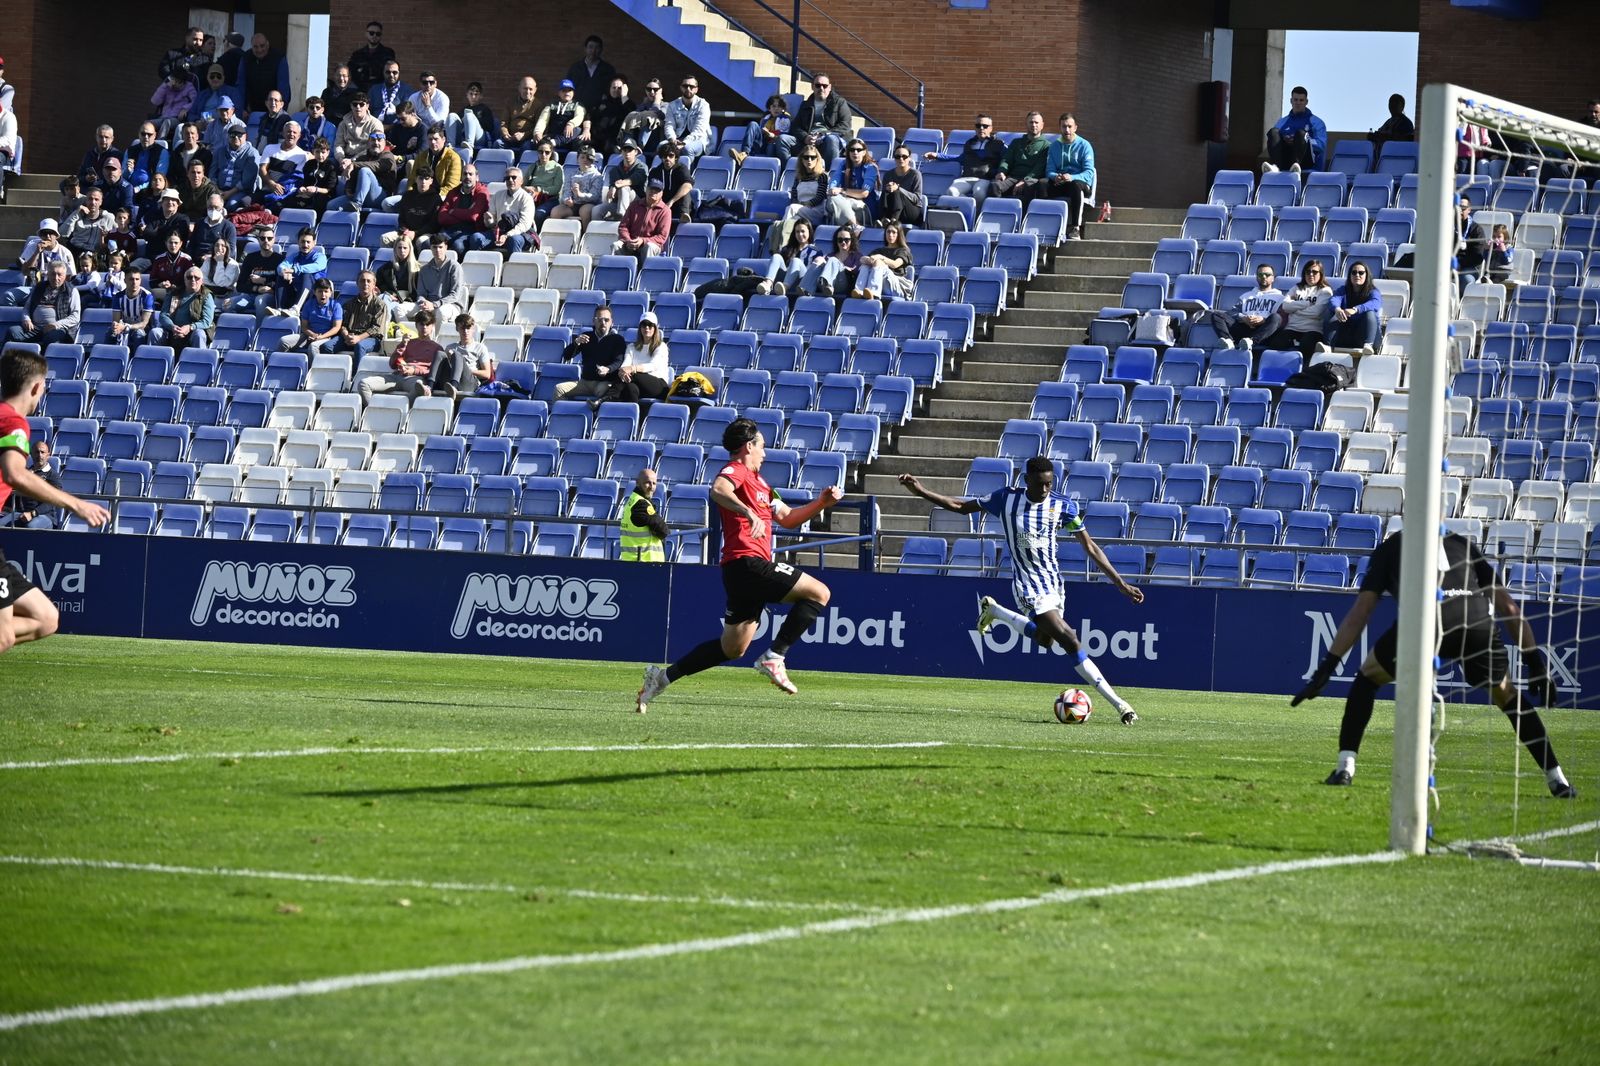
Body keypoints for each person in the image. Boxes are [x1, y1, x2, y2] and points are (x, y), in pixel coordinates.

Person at [1292, 531, 1576, 798]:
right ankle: (1557, 779)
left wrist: (1327, 667)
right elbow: (1510, 608)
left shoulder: (1391, 547)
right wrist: (1536, 664)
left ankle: (1345, 768)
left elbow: (1362, 611)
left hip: (1424, 623)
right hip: (1475, 624)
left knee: (1367, 677)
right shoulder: (1462, 544)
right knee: (1507, 696)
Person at [899, 456, 1145, 723]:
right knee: (1070, 639)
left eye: (1049, 484)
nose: (1043, 490)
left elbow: (1091, 547)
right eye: (1039, 484)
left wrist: (1119, 583)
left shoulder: (1063, 506)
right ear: (1026, 480)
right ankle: (1121, 705)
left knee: (1045, 639)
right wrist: (920, 490)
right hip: (1028, 586)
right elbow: (959, 505)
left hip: (1053, 584)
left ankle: (995, 611)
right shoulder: (1006, 499)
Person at [637, 416, 845, 711]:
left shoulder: (762, 484)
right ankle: (775, 656)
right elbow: (718, 490)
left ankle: (661, 679)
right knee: (820, 593)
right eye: (762, 446)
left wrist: (821, 504)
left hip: (740, 572)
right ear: (749, 446)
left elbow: (788, 517)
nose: (765, 453)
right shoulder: (736, 470)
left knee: (732, 648)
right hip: (747, 563)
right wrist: (748, 512)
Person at [0, 351, 111, 657]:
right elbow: (15, 473)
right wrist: (75, 504)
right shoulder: (13, 422)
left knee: (45, 618)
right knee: (3, 635)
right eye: (44, 384)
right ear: (36, 387)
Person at [358, 309, 441, 404]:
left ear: (432, 326)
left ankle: (399, 412)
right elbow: (392, 364)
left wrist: (414, 370)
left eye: (428, 324)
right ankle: (374, 411)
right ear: (416, 325)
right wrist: (402, 345)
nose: (424, 327)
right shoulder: (408, 342)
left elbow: (436, 372)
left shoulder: (437, 348)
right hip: (397, 375)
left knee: (420, 389)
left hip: (416, 379)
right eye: (421, 324)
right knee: (363, 384)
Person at [555, 305, 626, 402]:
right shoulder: (586, 337)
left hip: (604, 382)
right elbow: (566, 356)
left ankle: (596, 415)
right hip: (585, 382)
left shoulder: (617, 339)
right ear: (594, 321)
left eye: (606, 320)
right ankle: (562, 416)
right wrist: (576, 343)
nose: (603, 323)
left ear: (612, 322)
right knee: (559, 389)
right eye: (600, 319)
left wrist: (608, 369)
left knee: (603, 392)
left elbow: (619, 362)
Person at [1263, 259, 1332, 357]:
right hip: (1292, 328)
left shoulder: (1325, 290)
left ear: (1321, 274)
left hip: (1313, 330)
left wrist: (1295, 310)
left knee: (1306, 345)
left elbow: (1316, 312)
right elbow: (1285, 306)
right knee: (1276, 344)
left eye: (1315, 272)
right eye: (1308, 272)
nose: (1311, 274)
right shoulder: (1297, 288)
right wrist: (1307, 304)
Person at [1208, 264, 1285, 350]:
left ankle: (1251, 342)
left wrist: (1263, 320)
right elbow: (1232, 312)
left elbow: (1281, 318)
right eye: (1260, 274)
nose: (1263, 277)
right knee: (1217, 315)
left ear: (1273, 278)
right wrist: (1243, 318)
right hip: (1244, 329)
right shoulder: (1246, 296)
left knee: (1276, 317)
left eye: (1267, 275)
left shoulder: (1280, 297)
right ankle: (1228, 341)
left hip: (1264, 333)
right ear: (1256, 277)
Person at [935, 113, 1006, 205]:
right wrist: (937, 155)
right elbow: (960, 158)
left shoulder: (998, 144)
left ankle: (976, 215)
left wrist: (1001, 171)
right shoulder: (969, 143)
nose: (981, 128)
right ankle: (968, 208)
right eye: (978, 125)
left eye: (985, 126)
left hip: (985, 178)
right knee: (951, 192)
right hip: (967, 177)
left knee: (979, 192)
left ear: (991, 128)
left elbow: (1007, 160)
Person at [1045, 113, 1095, 238]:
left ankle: (1075, 228)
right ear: (1060, 127)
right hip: (1061, 182)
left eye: (1069, 126)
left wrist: (1072, 177)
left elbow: (1089, 173)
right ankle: (1045, 223)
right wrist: (1055, 176)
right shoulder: (1054, 146)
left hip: (1080, 183)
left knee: (1074, 186)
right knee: (1041, 184)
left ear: (1075, 128)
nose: (1066, 130)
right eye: (1063, 127)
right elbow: (1049, 170)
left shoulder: (1085, 145)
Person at [605, 310, 672, 404]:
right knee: (630, 387)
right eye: (644, 324)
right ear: (640, 327)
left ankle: (605, 399)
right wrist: (622, 372)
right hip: (638, 384)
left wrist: (633, 368)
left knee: (633, 374)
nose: (647, 328)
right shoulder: (631, 347)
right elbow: (625, 365)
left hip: (659, 386)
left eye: (650, 325)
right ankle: (633, 416)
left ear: (655, 328)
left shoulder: (661, 346)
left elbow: (653, 366)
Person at [6, 262, 80, 346]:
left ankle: (42, 357)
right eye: (53, 274)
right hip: (34, 328)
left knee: (52, 338)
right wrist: (26, 319)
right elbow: (27, 307)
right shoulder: (39, 287)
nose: (56, 278)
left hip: (57, 329)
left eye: (59, 275)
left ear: (65, 275)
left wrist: (56, 325)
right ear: (48, 274)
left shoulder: (72, 291)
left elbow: (75, 317)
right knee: (13, 331)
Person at [472, 166, 537, 256]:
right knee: (476, 237)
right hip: (498, 232)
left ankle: (514, 268)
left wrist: (507, 235)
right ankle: (478, 266)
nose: (510, 180)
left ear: (521, 181)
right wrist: (488, 220)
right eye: (507, 178)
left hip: (519, 233)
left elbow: (524, 225)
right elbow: (491, 224)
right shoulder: (497, 195)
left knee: (514, 240)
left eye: (514, 177)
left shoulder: (526, 198)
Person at [774, 147, 830, 251]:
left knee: (791, 208)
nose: (809, 160)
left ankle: (781, 248)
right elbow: (794, 197)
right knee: (787, 224)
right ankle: (790, 249)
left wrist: (805, 204)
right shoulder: (798, 177)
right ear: (801, 160)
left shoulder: (822, 176)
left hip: (815, 210)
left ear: (817, 159)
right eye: (806, 157)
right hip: (800, 211)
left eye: (812, 157)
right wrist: (799, 205)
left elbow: (820, 196)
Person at [1264, 85, 1327, 174]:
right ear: (1291, 101)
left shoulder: (1316, 122)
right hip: (1286, 159)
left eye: (1301, 100)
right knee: (1273, 132)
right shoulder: (1282, 122)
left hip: (1305, 161)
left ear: (1306, 102)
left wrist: (1302, 140)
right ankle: (1276, 168)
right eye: (1295, 100)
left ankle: (1296, 166)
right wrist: (1285, 140)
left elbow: (1321, 145)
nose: (1298, 103)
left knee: (1301, 134)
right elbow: (1274, 141)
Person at [430, 311, 495, 398]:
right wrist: (449, 360)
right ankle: (429, 387)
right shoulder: (450, 347)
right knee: (440, 354)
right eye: (462, 328)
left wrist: (465, 369)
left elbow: (487, 374)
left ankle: (454, 387)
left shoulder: (480, 347)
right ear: (457, 329)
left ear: (473, 329)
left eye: (468, 328)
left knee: (457, 355)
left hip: (469, 382)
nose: (465, 331)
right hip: (449, 379)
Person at [792, 74, 853, 165]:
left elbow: (845, 125)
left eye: (825, 86)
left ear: (830, 87)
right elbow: (795, 126)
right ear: (812, 87)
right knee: (783, 139)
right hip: (809, 139)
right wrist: (805, 137)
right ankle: (791, 171)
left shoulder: (839, 103)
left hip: (830, 138)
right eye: (818, 85)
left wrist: (822, 135)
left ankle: (830, 172)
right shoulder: (805, 104)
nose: (821, 88)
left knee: (831, 139)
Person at [612, 178, 671, 267]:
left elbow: (662, 236)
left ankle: (646, 277)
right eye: (651, 189)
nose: (653, 192)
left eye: (657, 190)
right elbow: (623, 227)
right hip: (630, 242)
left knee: (649, 247)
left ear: (661, 193)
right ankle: (618, 275)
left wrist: (643, 241)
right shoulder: (634, 205)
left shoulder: (665, 211)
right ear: (646, 190)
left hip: (651, 245)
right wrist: (628, 240)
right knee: (616, 245)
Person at [990, 112, 1049, 201]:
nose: (1033, 125)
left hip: (1031, 180)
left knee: (1029, 186)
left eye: (1036, 122)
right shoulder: (1016, 142)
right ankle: (999, 212)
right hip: (1013, 178)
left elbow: (1039, 168)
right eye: (1031, 122)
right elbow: (1006, 159)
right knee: (995, 185)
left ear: (1042, 125)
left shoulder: (1047, 145)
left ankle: (1024, 214)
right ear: (1026, 124)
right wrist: (1002, 171)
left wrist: (1025, 180)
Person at [5, 441, 64, 529]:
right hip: (21, 514)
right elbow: (13, 493)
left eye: (42, 452)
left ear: (48, 455)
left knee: (30, 526)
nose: (39, 455)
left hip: (44, 516)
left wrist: (33, 513)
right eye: (36, 452)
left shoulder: (53, 476)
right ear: (31, 454)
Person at [1325, 261, 1382, 351]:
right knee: (1332, 311)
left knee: (1370, 313)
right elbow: (1334, 299)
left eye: (1361, 273)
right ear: (1350, 275)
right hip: (1348, 333)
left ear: (1367, 275)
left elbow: (1375, 303)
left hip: (1366, 334)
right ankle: (1328, 345)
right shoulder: (1343, 289)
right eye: (1354, 272)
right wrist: (1338, 309)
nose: (1357, 275)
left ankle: (1368, 345)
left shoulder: (1373, 291)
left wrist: (1356, 309)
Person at [231, 225, 284, 317]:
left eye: (269, 238)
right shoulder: (250, 258)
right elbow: (240, 285)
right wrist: (257, 288)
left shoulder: (280, 260)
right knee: (228, 305)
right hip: (251, 296)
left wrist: (264, 281)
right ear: (258, 239)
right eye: (262, 238)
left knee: (259, 301)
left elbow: (282, 285)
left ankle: (259, 330)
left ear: (274, 239)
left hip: (270, 297)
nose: (266, 241)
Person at [853, 220, 914, 300]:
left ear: (899, 234)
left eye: (894, 232)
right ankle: (859, 291)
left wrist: (880, 258)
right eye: (888, 232)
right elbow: (862, 259)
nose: (890, 235)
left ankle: (874, 293)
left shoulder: (903, 251)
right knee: (866, 265)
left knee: (878, 262)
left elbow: (895, 264)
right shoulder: (880, 250)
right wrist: (869, 260)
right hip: (882, 281)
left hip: (896, 285)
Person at [439, 163, 491, 257]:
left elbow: (473, 217)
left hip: (472, 230)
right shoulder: (453, 192)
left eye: (471, 174)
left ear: (477, 177)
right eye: (465, 174)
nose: (467, 177)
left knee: (458, 246)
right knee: (431, 243)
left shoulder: (482, 192)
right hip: (450, 229)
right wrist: (465, 214)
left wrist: (452, 211)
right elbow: (442, 217)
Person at [336, 270, 390, 358]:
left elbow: (376, 328)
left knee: (360, 346)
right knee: (326, 347)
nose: (365, 283)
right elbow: (343, 324)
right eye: (362, 280)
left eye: (369, 281)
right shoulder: (349, 304)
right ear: (357, 283)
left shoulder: (380, 305)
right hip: (349, 337)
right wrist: (346, 336)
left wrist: (359, 338)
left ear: (374, 284)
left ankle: (356, 372)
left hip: (371, 339)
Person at [619, 468, 669, 563]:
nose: (651, 487)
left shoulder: (632, 500)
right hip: (645, 562)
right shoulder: (642, 505)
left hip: (632, 560)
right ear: (637, 483)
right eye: (647, 483)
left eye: (654, 483)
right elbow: (664, 531)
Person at [234, 34, 290, 116]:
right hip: (252, 109)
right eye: (255, 47)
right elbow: (240, 85)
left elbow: (283, 86)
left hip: (274, 107)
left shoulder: (279, 58)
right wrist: (242, 109)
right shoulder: (245, 58)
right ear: (251, 47)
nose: (259, 50)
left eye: (262, 46)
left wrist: (280, 111)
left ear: (267, 44)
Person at [281, 277, 342, 352]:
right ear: (314, 292)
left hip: (328, 337)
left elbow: (336, 327)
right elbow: (304, 326)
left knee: (313, 347)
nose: (323, 294)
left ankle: (312, 364)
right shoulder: (309, 304)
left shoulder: (336, 306)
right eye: (320, 291)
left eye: (326, 291)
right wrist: (313, 335)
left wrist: (321, 337)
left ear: (331, 293)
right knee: (283, 341)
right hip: (309, 335)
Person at [159, 267, 215, 349]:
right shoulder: (174, 293)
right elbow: (163, 315)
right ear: (185, 280)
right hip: (172, 331)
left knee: (199, 334)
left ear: (202, 281)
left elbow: (207, 321)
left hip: (193, 332)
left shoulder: (206, 296)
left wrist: (189, 327)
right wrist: (172, 327)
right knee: (155, 332)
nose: (193, 280)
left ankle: (200, 360)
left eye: (196, 278)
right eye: (189, 277)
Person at [827, 138, 878, 226]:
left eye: (859, 150)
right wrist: (832, 189)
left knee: (834, 201)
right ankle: (855, 226)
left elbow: (864, 193)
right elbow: (834, 181)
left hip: (864, 207)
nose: (855, 152)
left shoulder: (870, 167)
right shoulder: (843, 165)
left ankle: (853, 226)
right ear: (848, 152)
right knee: (833, 199)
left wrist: (842, 190)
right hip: (846, 202)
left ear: (864, 152)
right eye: (852, 150)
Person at [595, 139, 650, 222]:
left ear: (635, 152)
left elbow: (633, 180)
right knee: (596, 210)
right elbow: (611, 194)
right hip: (618, 203)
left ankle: (621, 219)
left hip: (638, 203)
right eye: (625, 150)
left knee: (624, 188)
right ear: (621, 152)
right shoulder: (615, 170)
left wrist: (616, 185)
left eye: (630, 150)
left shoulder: (642, 167)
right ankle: (597, 233)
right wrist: (612, 187)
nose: (627, 153)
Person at [548, 146, 606, 224]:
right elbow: (566, 190)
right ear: (577, 159)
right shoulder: (571, 174)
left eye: (588, 158)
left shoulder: (597, 176)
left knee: (585, 211)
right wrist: (567, 200)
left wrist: (580, 194)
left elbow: (594, 196)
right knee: (556, 211)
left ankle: (586, 233)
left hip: (589, 204)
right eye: (582, 157)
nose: (585, 160)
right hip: (573, 205)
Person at [416, 234, 465, 325]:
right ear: (430, 248)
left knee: (441, 312)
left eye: (440, 247)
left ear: (446, 247)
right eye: (434, 247)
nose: (437, 250)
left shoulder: (454, 267)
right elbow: (421, 294)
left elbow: (455, 295)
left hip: (451, 305)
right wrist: (423, 302)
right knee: (399, 309)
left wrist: (435, 304)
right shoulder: (424, 270)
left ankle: (433, 339)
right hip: (429, 305)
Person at [732, 94, 794, 165]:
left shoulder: (785, 119)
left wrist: (772, 135)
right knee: (753, 124)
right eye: (773, 106)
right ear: (769, 108)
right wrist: (762, 132)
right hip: (762, 144)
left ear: (783, 109)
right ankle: (744, 153)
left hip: (774, 145)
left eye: (779, 106)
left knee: (771, 146)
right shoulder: (765, 118)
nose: (776, 108)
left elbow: (784, 137)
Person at [283, 137, 339, 215]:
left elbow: (329, 189)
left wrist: (316, 189)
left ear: (328, 152)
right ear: (313, 151)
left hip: (323, 195)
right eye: (317, 152)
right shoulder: (309, 164)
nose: (320, 155)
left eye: (323, 152)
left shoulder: (331, 167)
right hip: (308, 193)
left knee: (318, 202)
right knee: (290, 200)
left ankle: (314, 224)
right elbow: (305, 182)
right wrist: (302, 188)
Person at [800, 225, 860, 298]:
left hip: (843, 284)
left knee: (833, 259)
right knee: (819, 259)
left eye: (846, 240)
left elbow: (856, 272)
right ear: (836, 241)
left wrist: (843, 268)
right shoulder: (830, 254)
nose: (843, 242)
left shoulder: (856, 256)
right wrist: (819, 261)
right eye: (840, 240)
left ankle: (828, 285)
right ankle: (805, 288)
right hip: (823, 285)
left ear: (851, 240)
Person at [212, 123, 262, 210]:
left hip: (240, 191)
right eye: (232, 135)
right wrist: (217, 190)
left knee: (230, 205)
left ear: (245, 136)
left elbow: (247, 181)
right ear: (228, 137)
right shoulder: (220, 151)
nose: (235, 138)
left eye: (239, 135)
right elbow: (212, 172)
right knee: (208, 201)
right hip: (219, 189)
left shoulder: (252, 153)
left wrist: (229, 193)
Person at [763, 218, 817, 295]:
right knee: (776, 256)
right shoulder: (788, 249)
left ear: (809, 231)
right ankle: (767, 285)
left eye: (803, 231)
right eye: (797, 232)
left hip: (802, 283)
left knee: (796, 261)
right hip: (783, 281)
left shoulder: (814, 251)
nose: (800, 234)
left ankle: (784, 288)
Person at [376, 228, 421, 321]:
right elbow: (379, 283)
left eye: (405, 248)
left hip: (409, 302)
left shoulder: (417, 269)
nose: (402, 251)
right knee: (383, 299)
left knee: (386, 304)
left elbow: (419, 291)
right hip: (391, 300)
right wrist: (389, 293)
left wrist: (400, 297)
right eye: (399, 248)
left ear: (410, 249)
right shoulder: (387, 268)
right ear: (395, 249)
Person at [663, 76, 712, 160]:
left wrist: (684, 142)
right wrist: (672, 139)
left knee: (687, 149)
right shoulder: (672, 105)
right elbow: (669, 125)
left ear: (696, 89)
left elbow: (699, 130)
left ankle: (687, 173)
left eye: (692, 87)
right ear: (681, 88)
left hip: (699, 140)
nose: (688, 89)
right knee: (661, 146)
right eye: (685, 86)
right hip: (676, 139)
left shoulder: (703, 105)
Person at [566, 34, 617, 113]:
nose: (593, 51)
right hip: (577, 109)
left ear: (601, 50)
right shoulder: (575, 68)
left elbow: (612, 92)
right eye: (590, 47)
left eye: (597, 48)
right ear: (585, 49)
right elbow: (568, 88)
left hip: (600, 111)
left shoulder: (608, 69)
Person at [535, 79, 588, 155]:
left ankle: (554, 142)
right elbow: (543, 120)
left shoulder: (578, 105)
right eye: (564, 90)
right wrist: (538, 132)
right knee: (532, 143)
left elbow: (579, 117)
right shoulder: (551, 105)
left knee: (577, 130)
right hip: (554, 134)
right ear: (559, 93)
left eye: (569, 90)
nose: (567, 93)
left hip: (569, 136)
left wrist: (571, 124)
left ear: (573, 93)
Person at [61, 187, 114, 262]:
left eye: (96, 199)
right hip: (76, 250)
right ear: (86, 200)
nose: (93, 202)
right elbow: (63, 233)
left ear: (101, 202)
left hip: (96, 253)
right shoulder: (77, 215)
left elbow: (118, 233)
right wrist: (76, 213)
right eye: (90, 199)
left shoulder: (108, 217)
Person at [585, 77, 634, 157]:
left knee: (609, 146)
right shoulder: (601, 103)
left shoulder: (627, 103)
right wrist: (586, 130)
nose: (616, 90)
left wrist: (624, 96)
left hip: (614, 137)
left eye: (619, 88)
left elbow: (630, 114)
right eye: (613, 87)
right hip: (597, 135)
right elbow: (589, 117)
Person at [650, 142, 695, 230]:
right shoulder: (655, 171)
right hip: (661, 202)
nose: (667, 158)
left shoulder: (681, 168)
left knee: (685, 191)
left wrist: (671, 201)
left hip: (678, 204)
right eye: (664, 156)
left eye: (671, 155)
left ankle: (684, 215)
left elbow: (688, 185)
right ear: (661, 157)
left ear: (676, 157)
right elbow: (650, 189)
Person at [877, 144, 924, 227]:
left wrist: (899, 188)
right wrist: (888, 189)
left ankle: (893, 221)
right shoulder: (888, 174)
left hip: (910, 212)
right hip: (892, 210)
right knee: (885, 192)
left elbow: (917, 199)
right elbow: (884, 197)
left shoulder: (915, 174)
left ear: (909, 158)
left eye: (904, 156)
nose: (901, 159)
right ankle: (884, 219)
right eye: (898, 156)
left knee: (897, 192)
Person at [619, 79, 669, 157]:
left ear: (660, 91)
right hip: (638, 135)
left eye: (655, 90)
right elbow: (634, 117)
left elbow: (661, 115)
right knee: (631, 115)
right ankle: (627, 145)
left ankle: (640, 146)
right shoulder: (643, 105)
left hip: (657, 138)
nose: (652, 92)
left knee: (650, 116)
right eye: (649, 89)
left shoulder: (666, 105)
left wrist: (656, 102)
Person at [111, 270, 158, 345]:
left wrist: (126, 327)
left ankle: (138, 356)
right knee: (110, 332)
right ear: (125, 280)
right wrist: (115, 326)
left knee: (138, 334)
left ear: (140, 281)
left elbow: (144, 324)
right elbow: (116, 320)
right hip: (124, 327)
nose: (134, 282)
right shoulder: (118, 297)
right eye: (131, 279)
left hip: (142, 329)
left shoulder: (147, 296)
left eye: (137, 279)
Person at [347, 21, 395, 91]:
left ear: (381, 36)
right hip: (361, 89)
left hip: (381, 89)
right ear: (366, 34)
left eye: (378, 34)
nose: (374, 36)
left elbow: (388, 72)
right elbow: (351, 73)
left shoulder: (388, 53)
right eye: (371, 33)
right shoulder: (357, 54)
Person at [334, 96, 384, 162]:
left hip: (366, 158)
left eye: (361, 104)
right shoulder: (343, 124)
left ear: (367, 106)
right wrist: (341, 159)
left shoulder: (376, 123)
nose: (358, 107)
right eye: (355, 104)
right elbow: (338, 144)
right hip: (344, 158)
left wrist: (352, 161)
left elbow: (374, 147)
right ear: (351, 106)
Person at [525, 140, 566, 220]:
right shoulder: (532, 167)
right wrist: (526, 188)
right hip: (532, 197)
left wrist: (539, 189)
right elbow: (523, 184)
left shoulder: (557, 168)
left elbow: (557, 189)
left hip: (550, 199)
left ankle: (535, 232)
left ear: (551, 153)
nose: (543, 155)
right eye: (541, 152)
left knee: (538, 214)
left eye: (547, 152)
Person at [151, 71, 197, 142]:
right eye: (175, 81)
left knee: (167, 122)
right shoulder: (167, 87)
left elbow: (195, 101)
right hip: (163, 116)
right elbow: (155, 101)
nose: (177, 84)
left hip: (177, 119)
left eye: (179, 82)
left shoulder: (189, 87)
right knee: (148, 123)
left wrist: (185, 108)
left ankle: (159, 142)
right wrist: (165, 86)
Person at [499, 76, 541, 152]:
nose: (528, 92)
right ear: (519, 88)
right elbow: (504, 122)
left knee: (526, 147)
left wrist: (524, 135)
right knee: (498, 144)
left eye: (530, 89)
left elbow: (539, 127)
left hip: (527, 139)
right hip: (510, 138)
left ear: (535, 90)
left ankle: (521, 164)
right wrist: (505, 133)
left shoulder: (539, 105)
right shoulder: (510, 103)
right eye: (525, 88)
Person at [124, 124, 169, 193]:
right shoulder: (130, 151)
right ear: (139, 134)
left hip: (150, 190)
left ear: (155, 135)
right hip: (129, 188)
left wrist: (139, 188)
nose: (146, 137)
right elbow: (123, 176)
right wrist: (128, 171)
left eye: (149, 134)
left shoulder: (162, 152)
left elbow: (159, 180)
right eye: (143, 134)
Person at [407, 73, 452, 142]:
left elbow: (438, 124)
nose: (428, 85)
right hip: (418, 132)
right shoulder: (414, 98)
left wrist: (428, 106)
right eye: (425, 83)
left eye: (431, 82)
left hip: (437, 134)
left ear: (435, 84)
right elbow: (410, 119)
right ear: (420, 84)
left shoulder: (443, 98)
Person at [457, 82, 497, 155]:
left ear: (481, 96)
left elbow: (490, 127)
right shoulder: (463, 110)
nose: (473, 97)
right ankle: (451, 144)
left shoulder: (484, 109)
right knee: (452, 116)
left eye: (476, 94)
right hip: (463, 137)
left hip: (480, 137)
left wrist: (473, 120)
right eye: (471, 94)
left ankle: (469, 145)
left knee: (469, 115)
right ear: (467, 95)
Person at [369, 61, 413, 125]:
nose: (391, 75)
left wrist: (389, 127)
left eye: (394, 72)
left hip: (398, 128)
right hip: (374, 127)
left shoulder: (407, 90)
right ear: (383, 73)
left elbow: (407, 114)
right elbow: (368, 110)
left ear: (399, 73)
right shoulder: (374, 89)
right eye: (388, 72)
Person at [1456, 198, 1489, 282]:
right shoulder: (1448, 227)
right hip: (1449, 264)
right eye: (1457, 207)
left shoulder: (1477, 230)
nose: (1459, 211)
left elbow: (1477, 257)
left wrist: (1459, 263)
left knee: (1466, 279)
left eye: (1463, 208)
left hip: (1470, 267)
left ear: (1469, 210)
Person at [198, 235, 238, 300]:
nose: (219, 248)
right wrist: (215, 284)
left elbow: (221, 283)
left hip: (226, 296)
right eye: (217, 245)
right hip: (209, 293)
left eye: (223, 246)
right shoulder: (208, 260)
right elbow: (202, 278)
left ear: (227, 248)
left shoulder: (233, 264)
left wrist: (220, 262)